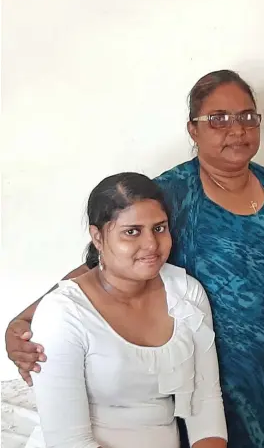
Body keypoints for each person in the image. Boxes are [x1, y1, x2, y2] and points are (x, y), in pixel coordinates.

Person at [5, 70, 264, 448]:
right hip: (192, 375)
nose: (237, 129)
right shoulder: (172, 192)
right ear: (192, 129)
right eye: (218, 118)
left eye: (248, 117)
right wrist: (26, 318)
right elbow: (109, 263)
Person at [30, 172, 227, 448]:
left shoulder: (185, 292)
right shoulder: (63, 312)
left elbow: (205, 402)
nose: (151, 244)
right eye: (131, 232)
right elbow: (69, 441)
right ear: (97, 237)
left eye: (159, 228)